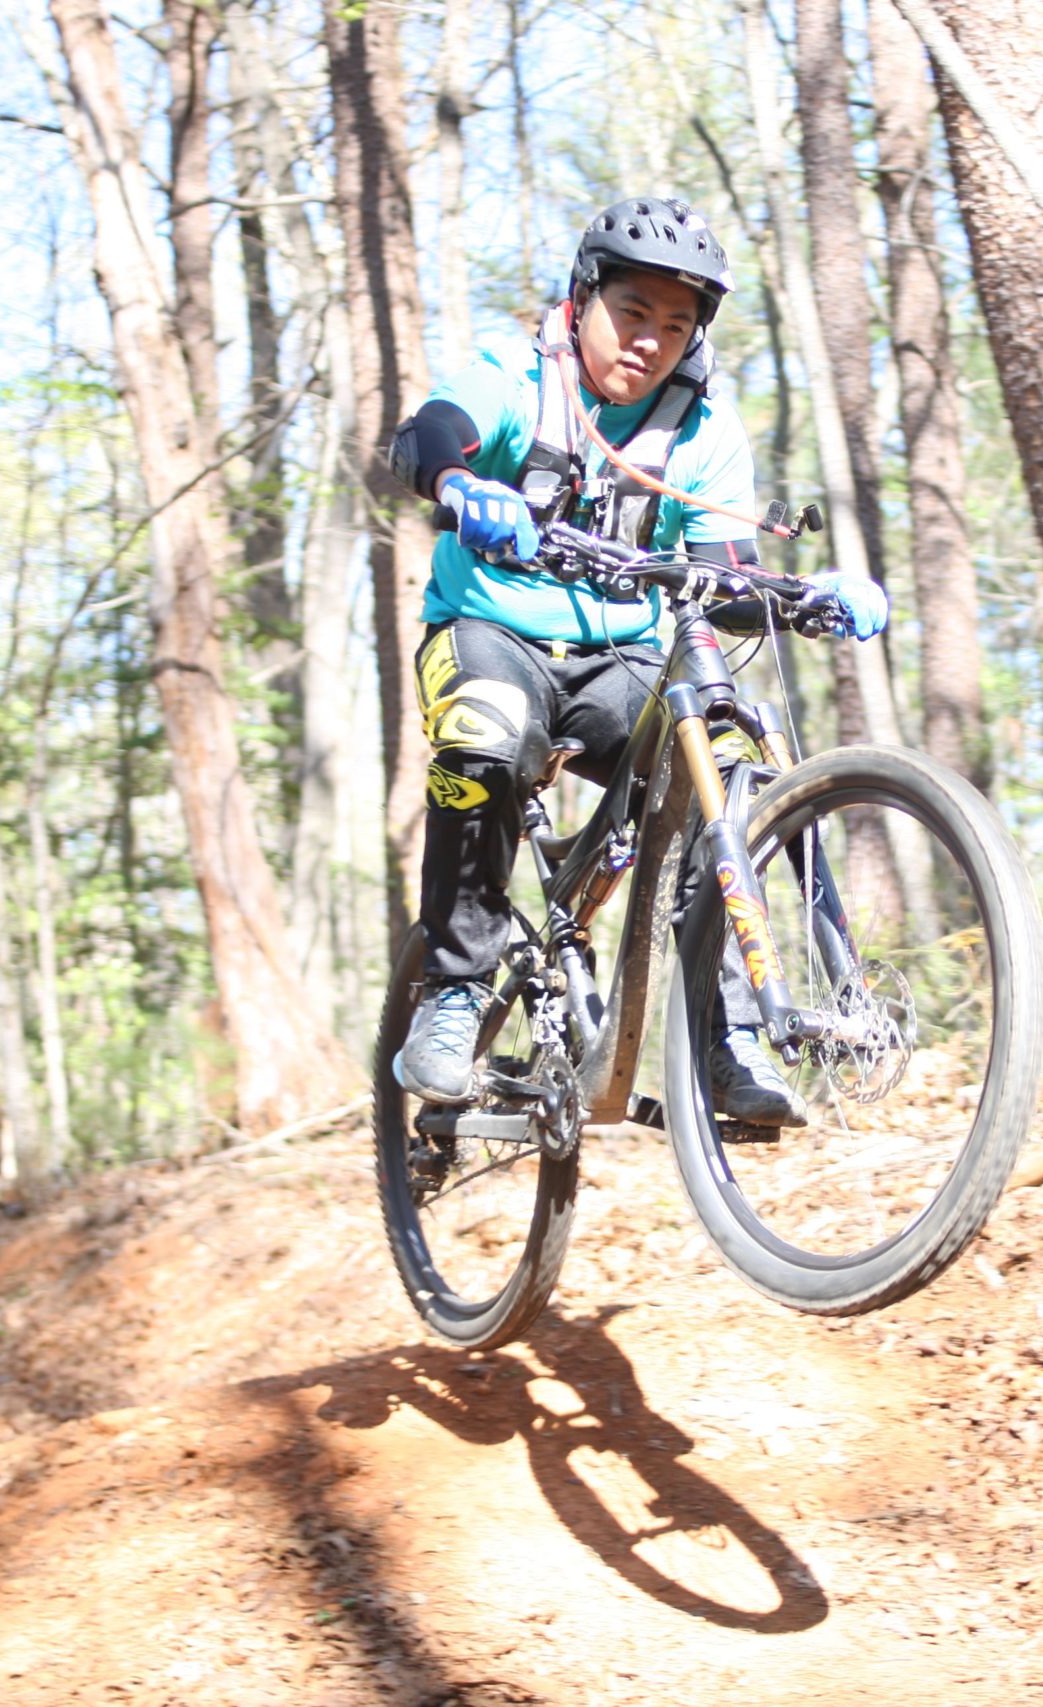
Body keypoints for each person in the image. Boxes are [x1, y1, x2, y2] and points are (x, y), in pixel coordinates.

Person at [383, 195, 885, 1125]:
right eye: (633, 314)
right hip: (491, 631)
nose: (651, 340)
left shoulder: (701, 432)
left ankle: (726, 1035)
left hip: (621, 657)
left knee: (723, 779)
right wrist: (460, 482)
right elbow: (427, 432)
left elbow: (724, 573)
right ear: (582, 302)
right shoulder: (518, 376)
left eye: (677, 323)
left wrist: (809, 593)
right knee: (484, 731)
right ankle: (454, 988)